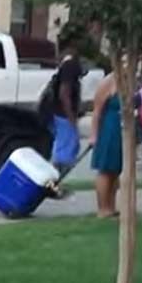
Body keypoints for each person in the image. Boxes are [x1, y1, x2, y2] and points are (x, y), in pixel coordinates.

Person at [46, 34, 84, 178]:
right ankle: (57, 180)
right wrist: (71, 117)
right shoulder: (70, 65)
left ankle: (56, 179)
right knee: (66, 151)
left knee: (64, 148)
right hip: (64, 115)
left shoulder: (64, 64)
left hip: (58, 113)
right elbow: (64, 93)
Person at [89, 74, 123, 219]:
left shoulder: (131, 81)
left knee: (115, 170)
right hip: (109, 128)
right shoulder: (108, 82)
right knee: (105, 169)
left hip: (122, 129)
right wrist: (94, 135)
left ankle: (111, 206)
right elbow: (97, 111)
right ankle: (103, 208)